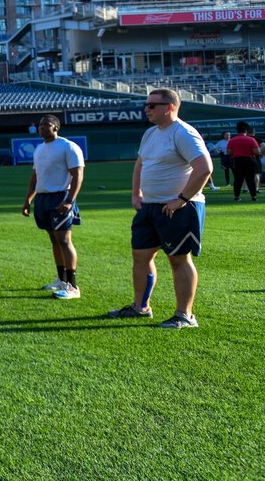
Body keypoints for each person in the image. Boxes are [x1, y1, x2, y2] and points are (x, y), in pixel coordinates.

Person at [109, 88, 212, 329]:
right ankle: (140, 307)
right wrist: (137, 194)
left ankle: (185, 315)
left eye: (152, 105)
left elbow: (204, 168)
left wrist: (181, 199)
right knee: (141, 256)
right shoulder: (150, 134)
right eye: (146, 105)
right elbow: (140, 165)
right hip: (150, 207)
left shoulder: (183, 133)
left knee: (178, 259)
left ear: (169, 107)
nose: (147, 109)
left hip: (178, 207)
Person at [21, 115, 84, 299]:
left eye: (46, 124)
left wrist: (70, 201)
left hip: (60, 196)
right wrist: (28, 199)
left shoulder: (68, 146)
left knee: (64, 240)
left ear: (56, 127)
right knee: (54, 240)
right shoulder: (39, 149)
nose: (41, 127)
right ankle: (61, 279)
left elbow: (78, 174)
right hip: (43, 198)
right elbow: (35, 175)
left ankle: (73, 286)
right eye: (40, 125)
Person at [227, 122, 259, 202]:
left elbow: (229, 152)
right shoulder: (251, 139)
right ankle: (254, 196)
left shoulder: (232, 140)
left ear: (237, 131)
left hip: (237, 161)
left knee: (238, 179)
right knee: (250, 179)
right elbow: (256, 151)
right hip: (250, 160)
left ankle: (237, 196)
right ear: (246, 131)